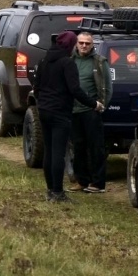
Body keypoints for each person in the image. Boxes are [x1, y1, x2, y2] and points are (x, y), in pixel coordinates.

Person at [33, 31, 87, 203]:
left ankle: (50, 190)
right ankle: (58, 192)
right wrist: (93, 103)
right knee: (58, 153)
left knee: (49, 151)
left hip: (44, 110)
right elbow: (75, 89)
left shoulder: (44, 61)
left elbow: (37, 87)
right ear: (70, 46)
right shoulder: (67, 63)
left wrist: (42, 103)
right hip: (60, 112)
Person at [70, 32, 109, 193]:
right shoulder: (70, 61)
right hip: (74, 111)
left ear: (92, 45)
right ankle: (82, 181)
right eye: (81, 43)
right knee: (78, 147)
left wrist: (101, 106)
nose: (84, 45)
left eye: (87, 43)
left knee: (96, 147)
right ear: (76, 44)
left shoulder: (99, 62)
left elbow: (107, 87)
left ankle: (98, 183)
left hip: (91, 110)